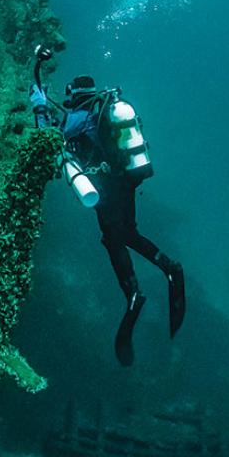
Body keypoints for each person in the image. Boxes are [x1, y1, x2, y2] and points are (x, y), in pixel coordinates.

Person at [29, 46, 185, 366]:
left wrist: (39, 106)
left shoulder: (78, 116)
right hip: (127, 181)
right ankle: (168, 266)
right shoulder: (108, 110)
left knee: (113, 238)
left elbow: (48, 138)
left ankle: (133, 294)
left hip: (105, 188)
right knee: (128, 232)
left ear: (74, 93)